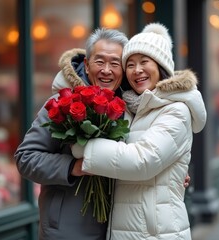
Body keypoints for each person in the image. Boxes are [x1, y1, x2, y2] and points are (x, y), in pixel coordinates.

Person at [78, 23, 206, 239]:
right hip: (129, 228)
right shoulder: (133, 107)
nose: (137, 70)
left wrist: (81, 147)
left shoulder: (176, 110)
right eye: (130, 64)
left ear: (161, 66)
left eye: (144, 62)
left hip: (156, 231)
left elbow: (143, 161)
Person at [14, 28, 129, 239]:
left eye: (114, 63)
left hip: (117, 228)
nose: (106, 70)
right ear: (86, 64)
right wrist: (72, 167)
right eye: (99, 61)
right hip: (66, 230)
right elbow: (26, 158)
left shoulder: (129, 109)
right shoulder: (61, 105)